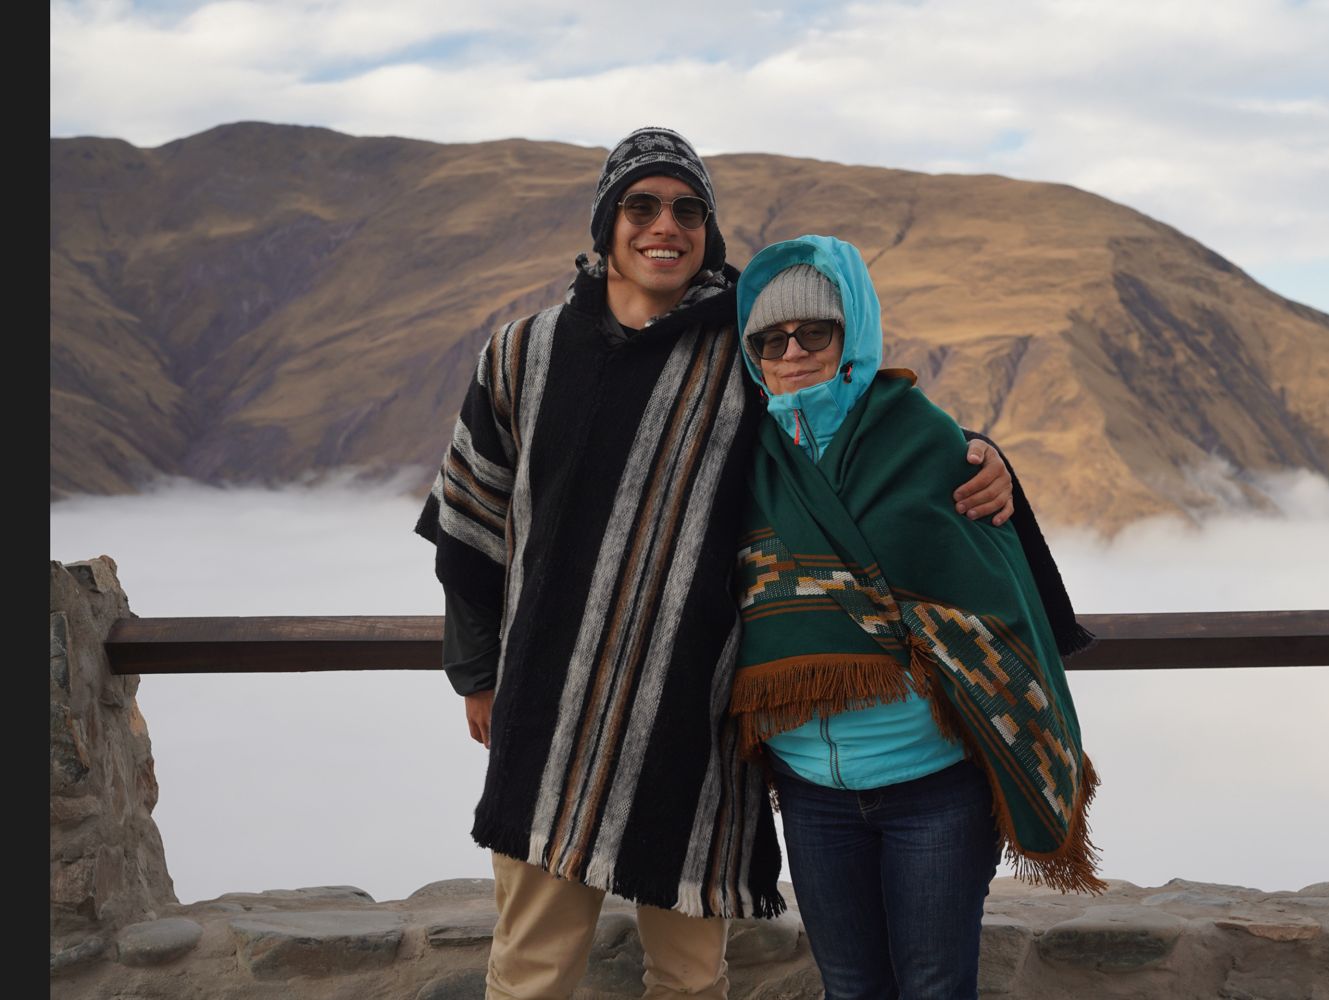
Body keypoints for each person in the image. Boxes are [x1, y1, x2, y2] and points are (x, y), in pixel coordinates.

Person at [413, 128, 1018, 1000]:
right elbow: (473, 524)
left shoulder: (743, 347)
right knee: (532, 972)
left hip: (696, 720)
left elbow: (856, 423)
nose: (666, 225)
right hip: (549, 708)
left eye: (687, 209)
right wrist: (476, 674)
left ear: (709, 229)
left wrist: (981, 454)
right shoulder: (521, 354)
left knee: (692, 977)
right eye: (642, 205)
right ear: (606, 222)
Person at [727, 234, 1105, 1000]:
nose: (792, 351)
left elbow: (993, 593)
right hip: (810, 789)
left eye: (814, 332)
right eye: (770, 338)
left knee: (935, 985)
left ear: (853, 335)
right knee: (849, 986)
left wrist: (994, 461)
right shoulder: (737, 460)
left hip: (933, 786)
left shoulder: (930, 444)